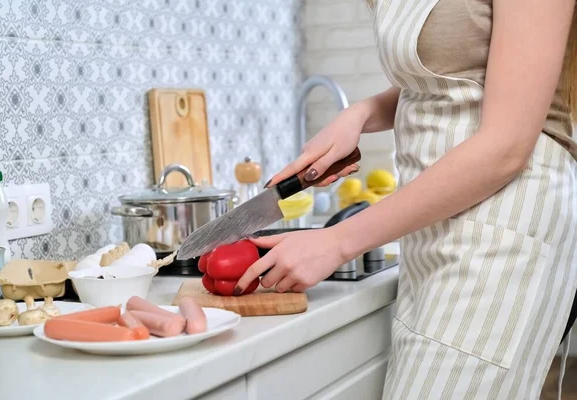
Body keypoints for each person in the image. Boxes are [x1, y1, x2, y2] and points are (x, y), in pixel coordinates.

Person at [235, 0, 577, 399]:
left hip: (506, 222)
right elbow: (457, 73)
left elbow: (506, 148)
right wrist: (362, 113)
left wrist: (337, 240)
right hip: (434, 228)